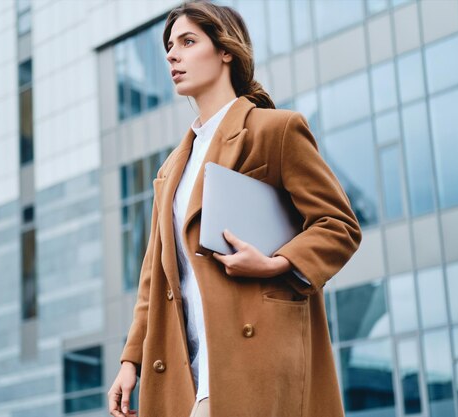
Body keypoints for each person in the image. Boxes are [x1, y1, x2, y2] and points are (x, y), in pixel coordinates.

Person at [108, 2, 362, 417]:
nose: (172, 55)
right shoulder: (172, 167)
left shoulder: (275, 130)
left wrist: (277, 263)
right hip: (182, 364)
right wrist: (130, 359)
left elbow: (339, 225)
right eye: (170, 46)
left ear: (226, 50)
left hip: (252, 356)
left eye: (188, 42)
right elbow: (154, 276)